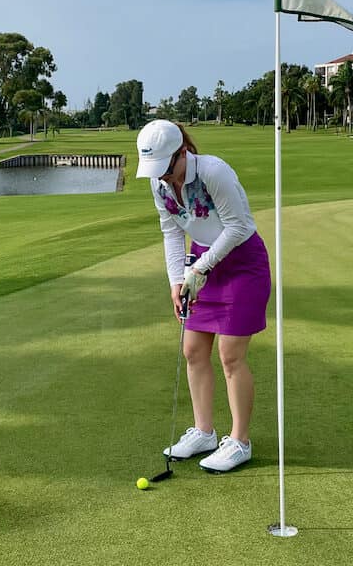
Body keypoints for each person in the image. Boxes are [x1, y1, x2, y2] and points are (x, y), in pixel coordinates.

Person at [135, 119, 270, 473]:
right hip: (201, 265)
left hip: (242, 263)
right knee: (193, 350)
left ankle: (240, 441)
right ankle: (204, 432)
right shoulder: (158, 184)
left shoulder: (213, 171)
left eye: (166, 167)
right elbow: (169, 233)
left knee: (230, 356)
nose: (163, 177)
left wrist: (200, 269)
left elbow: (238, 227)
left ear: (183, 153)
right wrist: (176, 280)